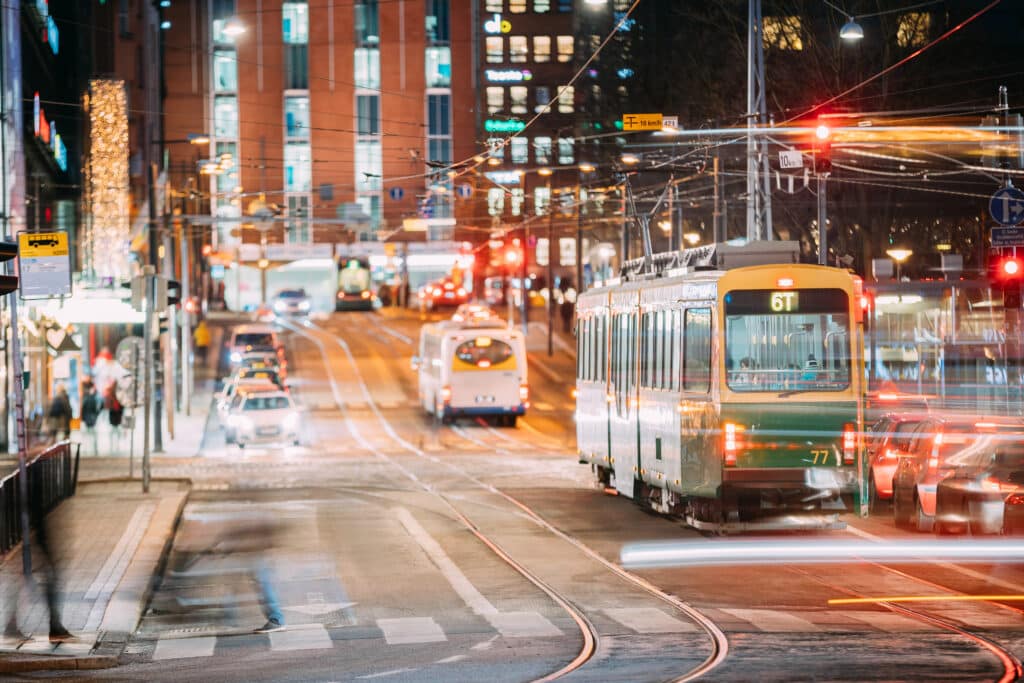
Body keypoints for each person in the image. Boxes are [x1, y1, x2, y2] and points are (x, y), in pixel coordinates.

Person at [80, 380, 102, 456]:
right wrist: (96, 415)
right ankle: (94, 448)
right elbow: (97, 410)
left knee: (88, 434)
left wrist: (83, 418)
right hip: (92, 419)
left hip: (88, 419)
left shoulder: (87, 398)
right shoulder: (93, 398)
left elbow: (83, 409)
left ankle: (87, 448)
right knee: (93, 434)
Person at [105, 384, 124, 451]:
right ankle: (113, 444)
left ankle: (116, 445)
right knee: (113, 431)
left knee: (116, 431)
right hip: (114, 415)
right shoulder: (112, 397)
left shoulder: (119, 396)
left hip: (117, 415)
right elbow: (108, 406)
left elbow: (122, 406)